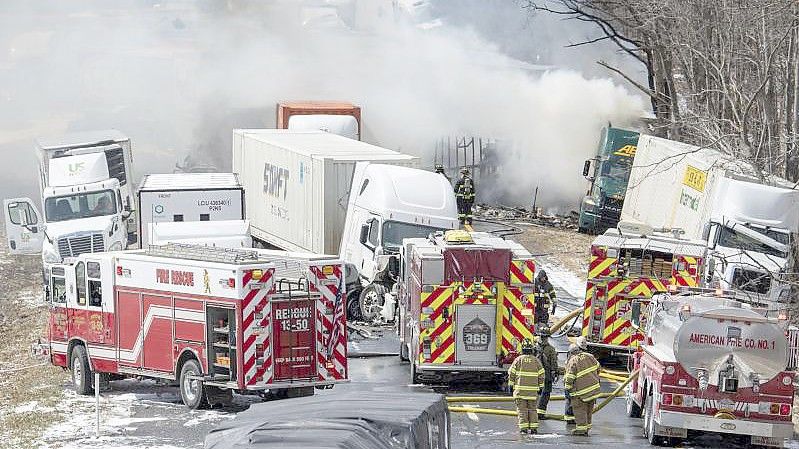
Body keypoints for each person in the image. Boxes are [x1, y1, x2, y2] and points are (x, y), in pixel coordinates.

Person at [563, 337, 601, 436]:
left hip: (580, 392)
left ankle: (581, 429)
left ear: (571, 353)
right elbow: (598, 368)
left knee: (579, 410)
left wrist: (567, 388)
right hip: (593, 390)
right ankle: (587, 428)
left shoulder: (573, 360)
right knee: (589, 410)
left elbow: (569, 377)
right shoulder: (590, 356)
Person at [507, 339, 545, 434]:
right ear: (532, 349)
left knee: (522, 410)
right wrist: (541, 387)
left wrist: (510, 385)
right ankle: (533, 428)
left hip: (520, 392)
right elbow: (542, 374)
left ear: (522, 349)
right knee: (532, 409)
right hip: (532, 392)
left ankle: (523, 429)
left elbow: (511, 373)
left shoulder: (518, 360)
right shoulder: (536, 361)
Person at [536, 326, 559, 419]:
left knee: (536, 394)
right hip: (546, 375)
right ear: (547, 337)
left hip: (535, 375)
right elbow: (553, 362)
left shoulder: (534, 347)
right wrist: (555, 372)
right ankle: (540, 413)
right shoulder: (550, 349)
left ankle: (533, 412)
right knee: (545, 394)